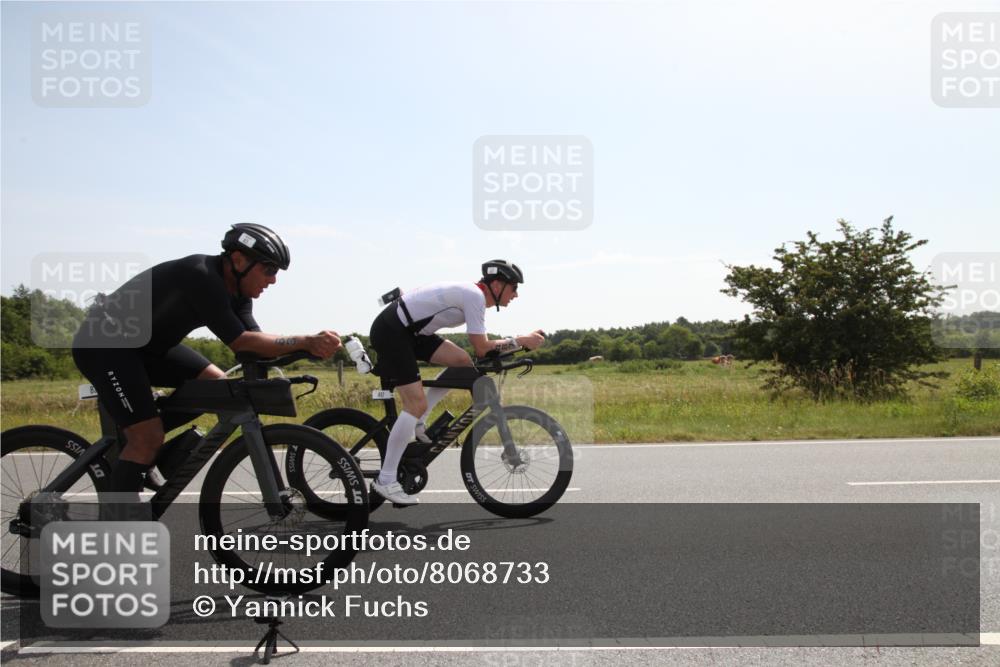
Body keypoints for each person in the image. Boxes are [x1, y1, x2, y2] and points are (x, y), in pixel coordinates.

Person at [72, 223, 342, 497]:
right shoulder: (200, 275)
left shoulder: (239, 295)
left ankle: (141, 445)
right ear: (238, 260)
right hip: (104, 345)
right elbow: (241, 341)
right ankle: (122, 520)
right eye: (269, 269)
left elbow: (257, 345)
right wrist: (306, 341)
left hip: (147, 348)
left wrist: (305, 349)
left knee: (217, 386)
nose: (273, 280)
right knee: (147, 437)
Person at [369, 260, 545, 506]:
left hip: (412, 333)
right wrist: (519, 340)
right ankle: (386, 480)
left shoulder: (472, 295)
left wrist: (518, 342)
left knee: (462, 361)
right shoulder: (474, 296)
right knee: (414, 403)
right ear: (496, 284)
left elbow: (475, 353)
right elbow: (482, 348)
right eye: (513, 287)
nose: (516, 294)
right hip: (393, 332)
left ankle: (420, 421)